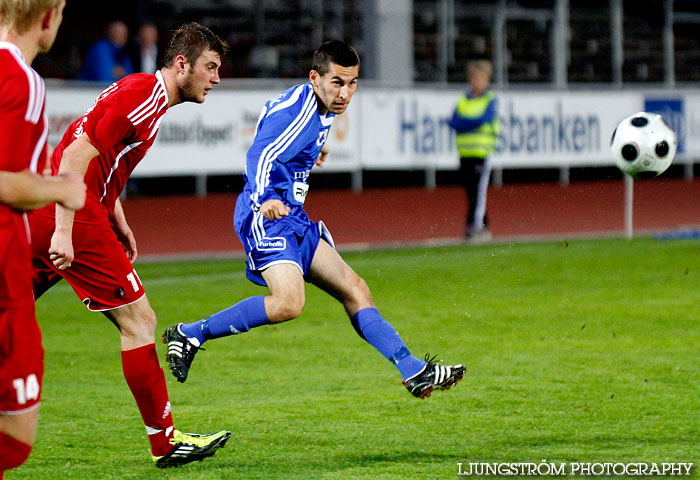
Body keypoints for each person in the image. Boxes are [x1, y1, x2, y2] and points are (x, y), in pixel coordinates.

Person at [163, 40, 466, 400]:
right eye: (337, 82)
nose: (345, 93)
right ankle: (190, 333)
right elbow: (258, 156)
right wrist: (267, 197)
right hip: (266, 216)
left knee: (356, 289)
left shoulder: (318, 106)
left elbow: (271, 118)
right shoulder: (300, 111)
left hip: (294, 217)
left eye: (352, 83)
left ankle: (413, 370)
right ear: (314, 78)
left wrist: (312, 149)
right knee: (289, 303)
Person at [28, 22, 231, 468]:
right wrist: (66, 229)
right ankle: (166, 441)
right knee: (140, 320)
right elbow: (75, 156)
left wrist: (117, 214)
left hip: (54, 209)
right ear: (182, 65)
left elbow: (101, 153)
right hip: (72, 215)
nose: (216, 78)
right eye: (210, 68)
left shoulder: (141, 92)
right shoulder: (146, 97)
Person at [0, 0, 87, 477]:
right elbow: (5, 182)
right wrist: (62, 189)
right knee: (15, 439)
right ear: (50, 15)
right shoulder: (21, 78)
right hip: (3, 281)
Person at [448, 60, 499, 241]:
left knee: (479, 193)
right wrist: (471, 123)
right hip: (465, 154)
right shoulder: (463, 100)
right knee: (471, 193)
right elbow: (453, 122)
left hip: (482, 153)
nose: (477, 81)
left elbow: (483, 119)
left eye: (481, 77)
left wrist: (466, 123)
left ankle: (475, 227)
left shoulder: (490, 99)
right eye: (474, 77)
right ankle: (483, 227)